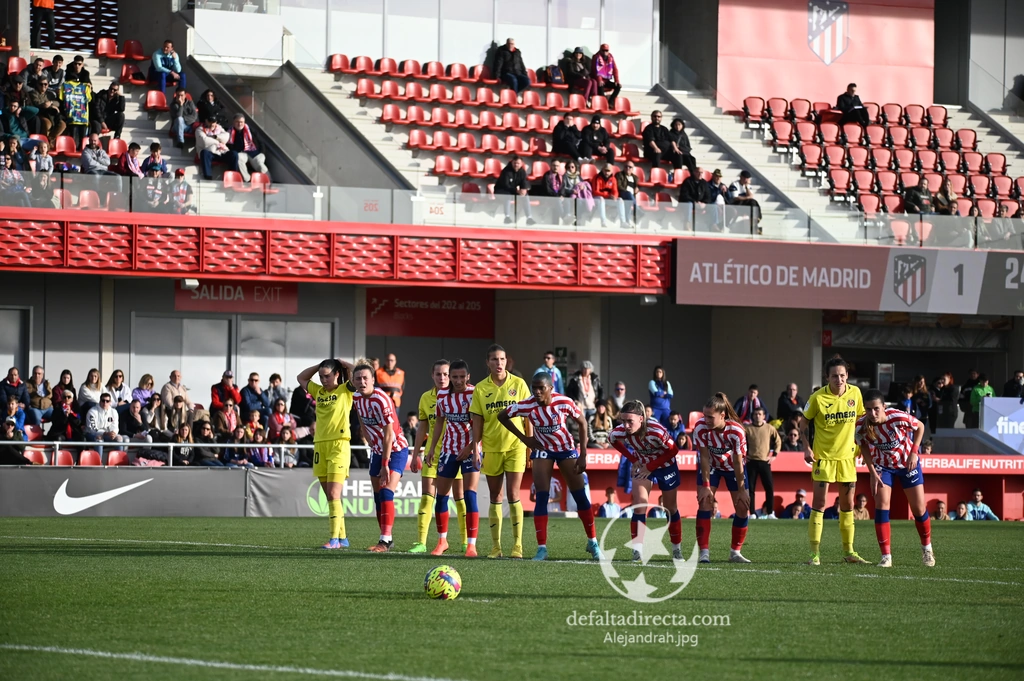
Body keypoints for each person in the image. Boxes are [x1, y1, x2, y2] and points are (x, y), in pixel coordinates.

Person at [499, 372, 600, 561]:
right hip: (542, 449)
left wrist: (583, 454)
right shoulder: (527, 404)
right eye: (534, 388)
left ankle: (593, 542)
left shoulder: (563, 402)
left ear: (551, 388)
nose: (537, 392)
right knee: (542, 497)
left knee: (580, 496)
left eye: (541, 388)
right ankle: (542, 548)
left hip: (565, 449)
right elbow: (502, 416)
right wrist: (525, 439)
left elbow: (582, 422)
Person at [801, 355, 869, 565]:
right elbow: (802, 424)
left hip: (847, 458)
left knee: (848, 505)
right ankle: (814, 554)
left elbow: (862, 420)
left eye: (842, 375)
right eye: (834, 376)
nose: (839, 380)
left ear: (847, 375)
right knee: (819, 504)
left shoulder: (855, 393)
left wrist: (861, 445)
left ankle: (849, 552)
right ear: (827, 378)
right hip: (824, 458)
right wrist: (806, 447)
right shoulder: (817, 398)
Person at [857, 389, 935, 567]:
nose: (872, 413)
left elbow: (920, 427)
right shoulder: (861, 425)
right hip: (882, 466)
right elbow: (863, 446)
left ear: (884, 407)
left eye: (876, 409)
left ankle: (927, 549)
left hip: (907, 463)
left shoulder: (896, 417)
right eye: (868, 409)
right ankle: (886, 557)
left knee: (918, 509)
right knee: (882, 505)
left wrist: (914, 452)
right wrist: (872, 472)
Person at [469, 344, 531, 559]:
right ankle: (496, 547)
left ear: (507, 361)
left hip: (516, 447)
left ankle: (517, 545)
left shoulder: (519, 384)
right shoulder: (480, 388)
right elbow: (477, 421)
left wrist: (530, 444)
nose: (499, 363)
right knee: (496, 496)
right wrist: (475, 448)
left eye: (502, 359)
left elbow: (528, 416)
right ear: (487, 363)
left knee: (514, 495)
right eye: (494, 359)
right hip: (492, 448)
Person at [609, 400, 684, 560]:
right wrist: (633, 459)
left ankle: (676, 549)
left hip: (666, 466)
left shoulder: (656, 430)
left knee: (670, 508)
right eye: (623, 421)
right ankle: (637, 551)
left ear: (641, 419)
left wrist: (651, 466)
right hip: (643, 466)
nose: (626, 425)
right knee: (639, 507)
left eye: (630, 421)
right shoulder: (621, 431)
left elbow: (674, 450)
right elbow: (612, 439)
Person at [351, 361, 410, 552]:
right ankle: (387, 538)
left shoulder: (381, 399)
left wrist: (385, 464)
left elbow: (389, 435)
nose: (362, 382)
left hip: (396, 449)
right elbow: (361, 417)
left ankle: (384, 541)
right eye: (358, 378)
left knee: (386, 492)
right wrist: (366, 435)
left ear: (373, 380)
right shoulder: (356, 397)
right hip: (377, 450)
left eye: (365, 378)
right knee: (378, 497)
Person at [297, 357, 356, 549]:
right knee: (330, 496)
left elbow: (359, 373)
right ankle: (343, 538)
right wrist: (320, 366)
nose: (323, 380)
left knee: (333, 493)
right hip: (320, 446)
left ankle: (334, 540)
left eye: (327, 376)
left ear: (337, 374)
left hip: (339, 445)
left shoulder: (345, 390)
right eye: (321, 377)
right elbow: (301, 378)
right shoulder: (319, 391)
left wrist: (343, 363)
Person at [409, 360, 468, 553]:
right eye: (438, 374)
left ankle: (465, 542)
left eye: (445, 374)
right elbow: (422, 428)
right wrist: (416, 454)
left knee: (460, 498)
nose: (442, 378)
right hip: (432, 454)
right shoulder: (426, 398)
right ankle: (421, 542)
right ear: (432, 375)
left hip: (456, 452)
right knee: (427, 497)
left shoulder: (462, 395)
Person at [425, 358, 480, 557]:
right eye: (454, 377)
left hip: (471, 450)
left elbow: (480, 424)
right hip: (448, 450)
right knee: (441, 496)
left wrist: (472, 447)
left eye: (461, 376)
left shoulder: (475, 394)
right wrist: (432, 448)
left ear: (468, 377)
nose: (457, 380)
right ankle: (442, 541)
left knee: (469, 494)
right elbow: (440, 422)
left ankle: (471, 545)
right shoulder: (442, 394)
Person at [692, 393, 752, 563]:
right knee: (704, 502)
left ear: (722, 415)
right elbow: (704, 457)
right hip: (711, 466)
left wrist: (742, 490)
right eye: (704, 416)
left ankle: (735, 552)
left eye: (710, 417)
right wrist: (705, 485)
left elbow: (738, 462)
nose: (706, 420)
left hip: (733, 468)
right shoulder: (700, 427)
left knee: (743, 507)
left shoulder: (736, 431)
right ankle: (704, 552)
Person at [745, 407, 780, 519]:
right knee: (750, 489)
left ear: (764, 416)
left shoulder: (769, 428)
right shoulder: (747, 428)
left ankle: (770, 512)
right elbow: (740, 441)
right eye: (755, 414)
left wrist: (774, 455)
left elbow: (778, 441)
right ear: (753, 416)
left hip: (765, 461)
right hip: (751, 461)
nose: (757, 416)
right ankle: (752, 513)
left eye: (760, 414)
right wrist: (743, 455)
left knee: (769, 488)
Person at [227, 114, 268, 182]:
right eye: (237, 122)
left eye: (241, 122)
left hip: (253, 152)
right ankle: (247, 179)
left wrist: (262, 152)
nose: (239, 124)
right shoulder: (229, 131)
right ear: (233, 122)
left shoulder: (250, 130)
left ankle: (269, 181)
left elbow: (260, 141)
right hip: (241, 153)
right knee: (238, 157)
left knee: (260, 164)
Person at [495, 156, 534, 225]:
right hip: (501, 191)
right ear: (512, 162)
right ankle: (507, 217)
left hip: (512, 191)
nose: (516, 165)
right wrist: (517, 191)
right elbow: (506, 185)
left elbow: (525, 181)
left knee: (525, 196)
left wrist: (524, 189)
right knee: (507, 196)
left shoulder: (522, 172)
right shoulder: (506, 171)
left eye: (518, 163)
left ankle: (529, 218)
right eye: (514, 163)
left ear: (521, 164)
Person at [196, 116, 230, 181]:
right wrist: (218, 141)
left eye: (213, 122)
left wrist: (215, 136)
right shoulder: (200, 129)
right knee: (204, 153)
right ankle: (208, 177)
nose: (212, 124)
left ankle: (232, 177)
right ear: (206, 121)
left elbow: (226, 137)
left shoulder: (219, 128)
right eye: (210, 122)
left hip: (221, 152)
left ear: (216, 122)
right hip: (210, 152)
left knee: (234, 154)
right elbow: (204, 141)